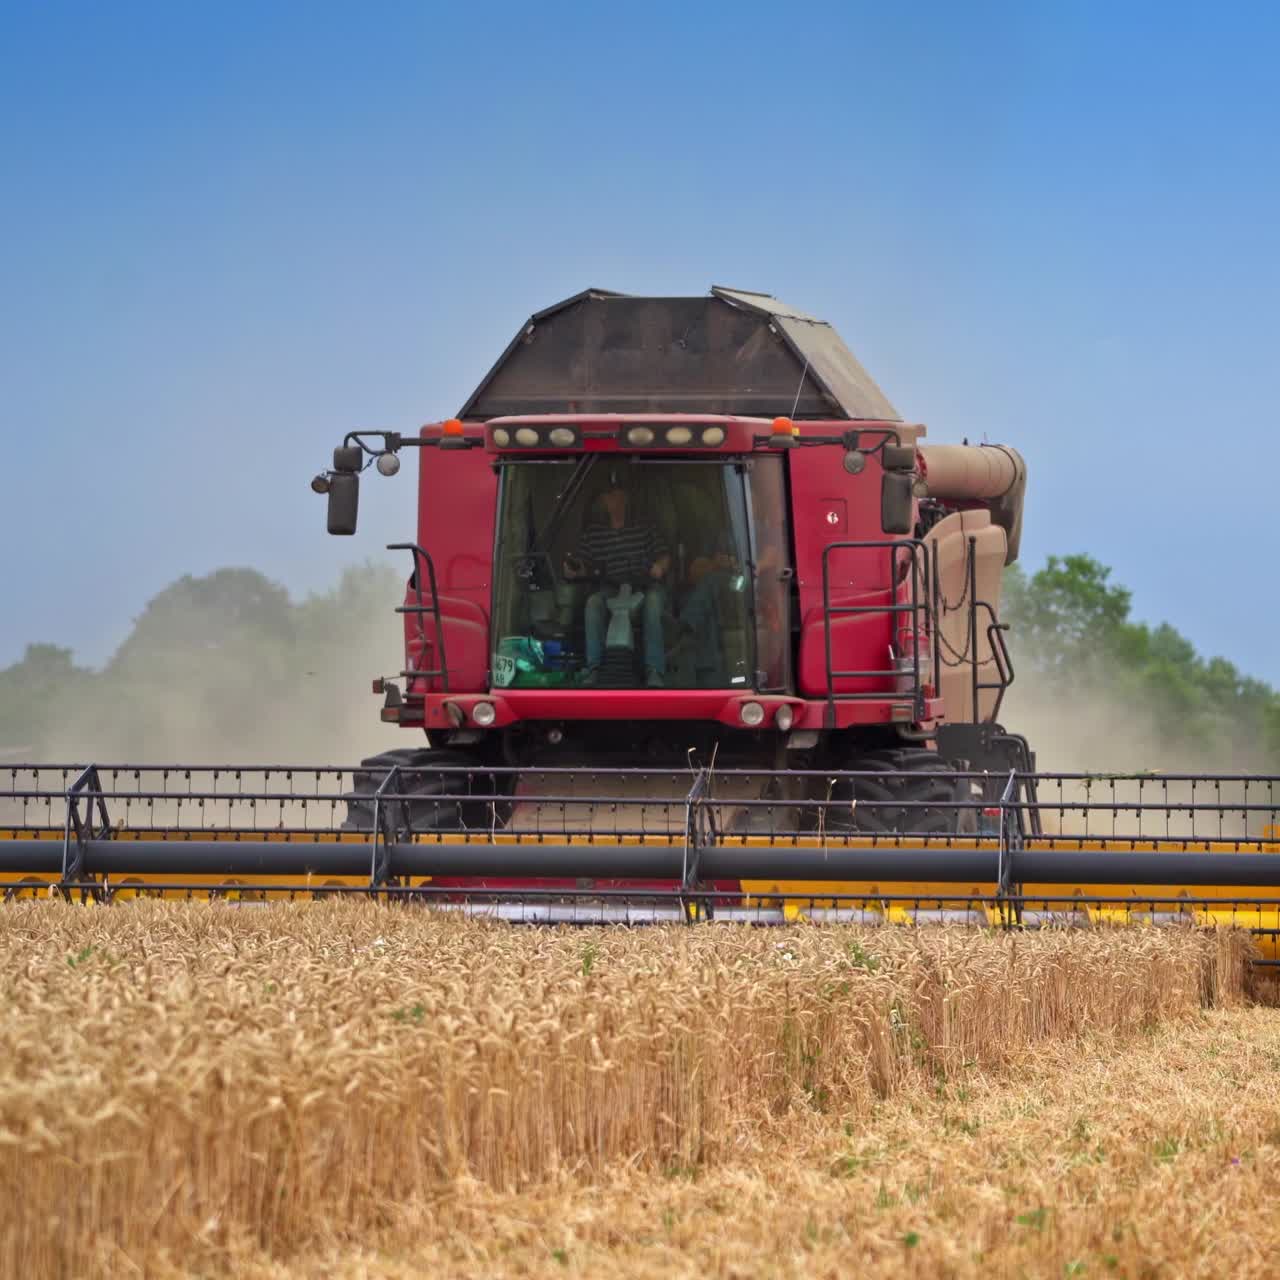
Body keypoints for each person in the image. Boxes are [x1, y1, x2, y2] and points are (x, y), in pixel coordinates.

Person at [564, 483, 670, 686]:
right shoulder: (594, 533)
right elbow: (582, 565)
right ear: (604, 501)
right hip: (611, 589)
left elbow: (664, 556)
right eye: (611, 497)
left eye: (620, 497)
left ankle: (654, 671)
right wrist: (572, 569)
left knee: (654, 602)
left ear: (627, 499)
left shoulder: (643, 527)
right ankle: (593, 668)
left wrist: (659, 567)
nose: (616, 502)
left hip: (643, 587)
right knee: (593, 602)